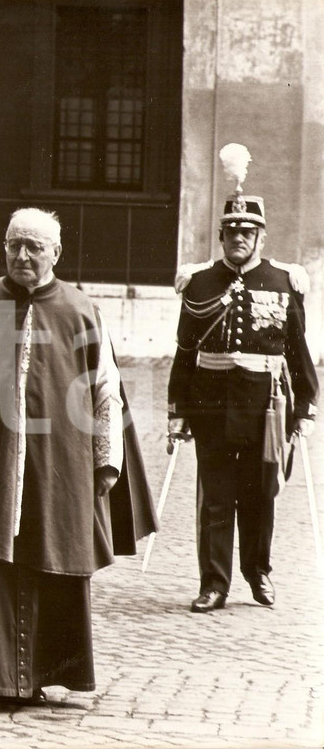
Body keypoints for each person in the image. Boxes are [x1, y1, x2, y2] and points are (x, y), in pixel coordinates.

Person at [0, 207, 155, 711]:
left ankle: (38, 674)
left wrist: (106, 462)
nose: (22, 255)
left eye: (34, 247)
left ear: (56, 253)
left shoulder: (81, 311)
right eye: (14, 244)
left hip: (58, 465)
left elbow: (106, 391)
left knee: (50, 559)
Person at [168, 193, 318, 613]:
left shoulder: (283, 281)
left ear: (261, 237)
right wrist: (177, 411)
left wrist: (305, 404)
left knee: (259, 494)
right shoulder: (199, 282)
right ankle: (214, 583)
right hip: (210, 403)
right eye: (231, 231)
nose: (238, 237)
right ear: (221, 236)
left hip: (263, 406)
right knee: (215, 496)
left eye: (247, 231)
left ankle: (259, 574)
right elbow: (184, 350)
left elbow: (296, 348)